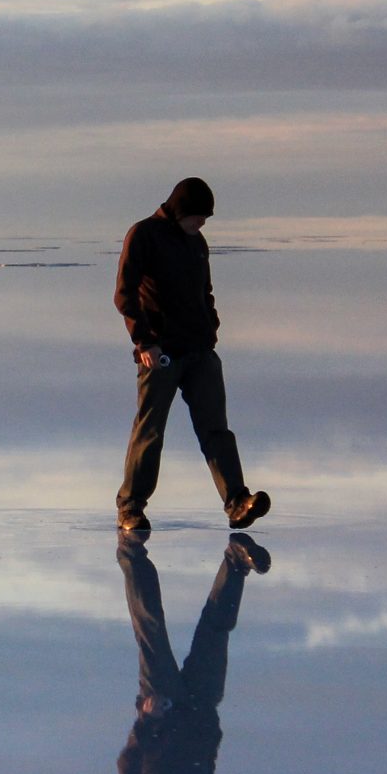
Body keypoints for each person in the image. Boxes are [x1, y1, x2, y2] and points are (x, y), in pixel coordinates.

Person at [113, 177, 270, 536]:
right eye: (198, 217)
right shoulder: (143, 235)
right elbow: (125, 295)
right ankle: (131, 508)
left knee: (216, 430)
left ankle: (237, 503)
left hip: (200, 353)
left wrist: (211, 329)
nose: (201, 225)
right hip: (160, 354)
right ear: (180, 210)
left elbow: (205, 292)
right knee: (150, 432)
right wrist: (145, 342)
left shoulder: (197, 243)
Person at [116, 531, 269, 774]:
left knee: (151, 627)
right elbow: (207, 764)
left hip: (162, 709)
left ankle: (130, 553)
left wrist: (146, 723)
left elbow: (128, 765)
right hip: (201, 707)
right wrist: (212, 726)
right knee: (216, 631)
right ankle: (236, 561)